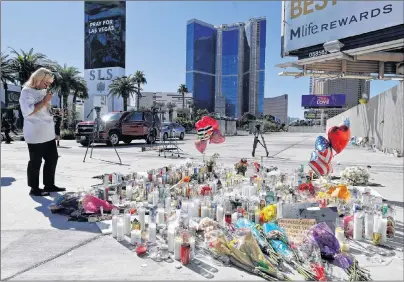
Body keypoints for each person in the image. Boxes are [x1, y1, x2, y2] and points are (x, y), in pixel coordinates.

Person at [19, 67, 66, 197]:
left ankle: (49, 185)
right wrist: (45, 101)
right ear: (39, 79)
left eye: (50, 83)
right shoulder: (26, 91)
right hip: (35, 133)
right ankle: (34, 188)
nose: (48, 85)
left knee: (52, 158)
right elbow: (28, 111)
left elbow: (45, 109)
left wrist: (54, 111)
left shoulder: (43, 90)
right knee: (36, 161)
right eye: (47, 82)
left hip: (48, 132)